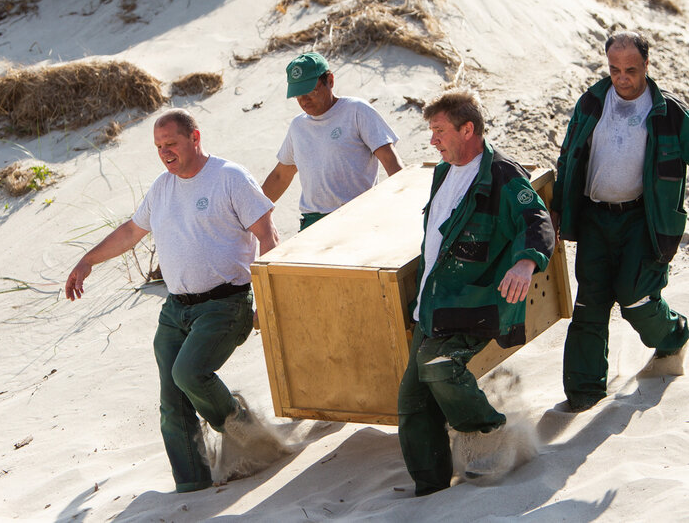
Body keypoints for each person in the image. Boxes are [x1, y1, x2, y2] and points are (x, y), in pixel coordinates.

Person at [65, 109, 280, 493]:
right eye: (159, 147)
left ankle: (245, 431)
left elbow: (268, 236)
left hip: (225, 303)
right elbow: (131, 231)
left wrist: (266, 298)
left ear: (195, 138)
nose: (165, 153)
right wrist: (87, 261)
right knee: (172, 401)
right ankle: (192, 484)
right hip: (176, 308)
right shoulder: (162, 187)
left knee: (189, 374)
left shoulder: (229, 177)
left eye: (172, 144)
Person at [397, 89, 555, 496]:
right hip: (433, 305)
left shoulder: (503, 174)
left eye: (439, 131)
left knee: (439, 366)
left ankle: (492, 436)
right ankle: (429, 489)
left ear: (468, 129)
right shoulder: (442, 171)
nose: (433, 140)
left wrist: (526, 261)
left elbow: (536, 219)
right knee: (412, 403)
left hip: (473, 303)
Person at [552, 31, 689, 413]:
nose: (622, 78)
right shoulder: (592, 102)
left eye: (630, 69)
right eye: (615, 69)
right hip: (595, 218)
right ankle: (584, 393)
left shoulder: (670, 114)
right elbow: (569, 156)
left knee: (635, 299)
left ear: (646, 65)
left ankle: (675, 333)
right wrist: (561, 204)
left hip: (641, 221)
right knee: (589, 305)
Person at [262, 51, 405, 230]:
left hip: (359, 217)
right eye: (298, 95)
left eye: (310, 92)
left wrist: (405, 203)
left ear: (330, 80)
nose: (304, 101)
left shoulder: (356, 111)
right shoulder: (298, 126)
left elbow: (390, 160)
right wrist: (252, 212)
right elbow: (281, 175)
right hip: (313, 223)